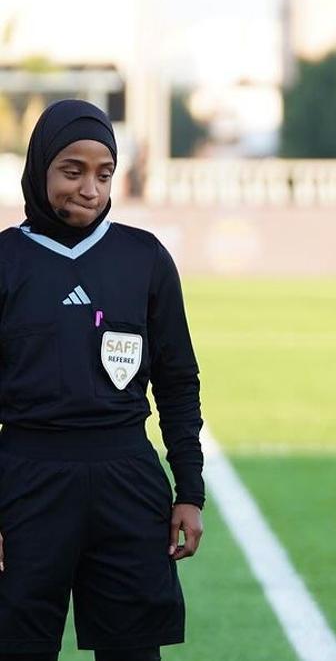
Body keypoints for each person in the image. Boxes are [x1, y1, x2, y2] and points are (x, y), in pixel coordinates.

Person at [0, 100, 204, 661]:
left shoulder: (144, 258)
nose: (90, 188)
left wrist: (189, 490)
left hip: (128, 483)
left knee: (134, 651)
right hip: (26, 482)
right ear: (40, 169)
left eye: (104, 173)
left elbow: (178, 382)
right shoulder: (7, 261)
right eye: (72, 171)